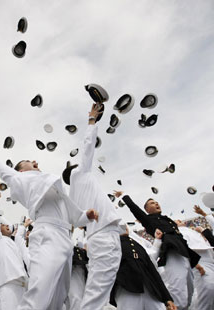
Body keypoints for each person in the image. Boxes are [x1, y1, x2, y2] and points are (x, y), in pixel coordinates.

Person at [0, 154, 98, 310]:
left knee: (58, 298)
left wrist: (87, 215)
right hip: (47, 235)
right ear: (20, 171)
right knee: (40, 292)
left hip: (65, 240)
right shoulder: (21, 180)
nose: (35, 161)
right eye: (28, 161)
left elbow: (73, 217)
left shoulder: (55, 189)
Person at [68, 103, 122, 309]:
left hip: (105, 236)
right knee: (96, 297)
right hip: (103, 237)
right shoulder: (79, 174)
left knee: (101, 296)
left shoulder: (77, 194)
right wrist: (92, 120)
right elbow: (87, 147)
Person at [114, 191, 200, 310]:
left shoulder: (167, 220)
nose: (156, 204)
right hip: (172, 253)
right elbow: (136, 210)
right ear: (147, 210)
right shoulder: (149, 220)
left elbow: (181, 240)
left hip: (184, 254)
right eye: (152, 203)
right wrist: (124, 196)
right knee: (179, 293)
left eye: (156, 202)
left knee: (190, 290)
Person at [110, 226, 177, 310]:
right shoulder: (109, 246)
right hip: (126, 290)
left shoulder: (138, 246)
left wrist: (167, 298)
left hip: (149, 289)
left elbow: (153, 272)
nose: (125, 228)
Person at [0, 184, 28, 309]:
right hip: (8, 285)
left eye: (8, 226)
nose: (7, 226)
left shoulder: (14, 243)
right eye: (3, 224)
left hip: (23, 285)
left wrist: (24, 226)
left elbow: (20, 237)